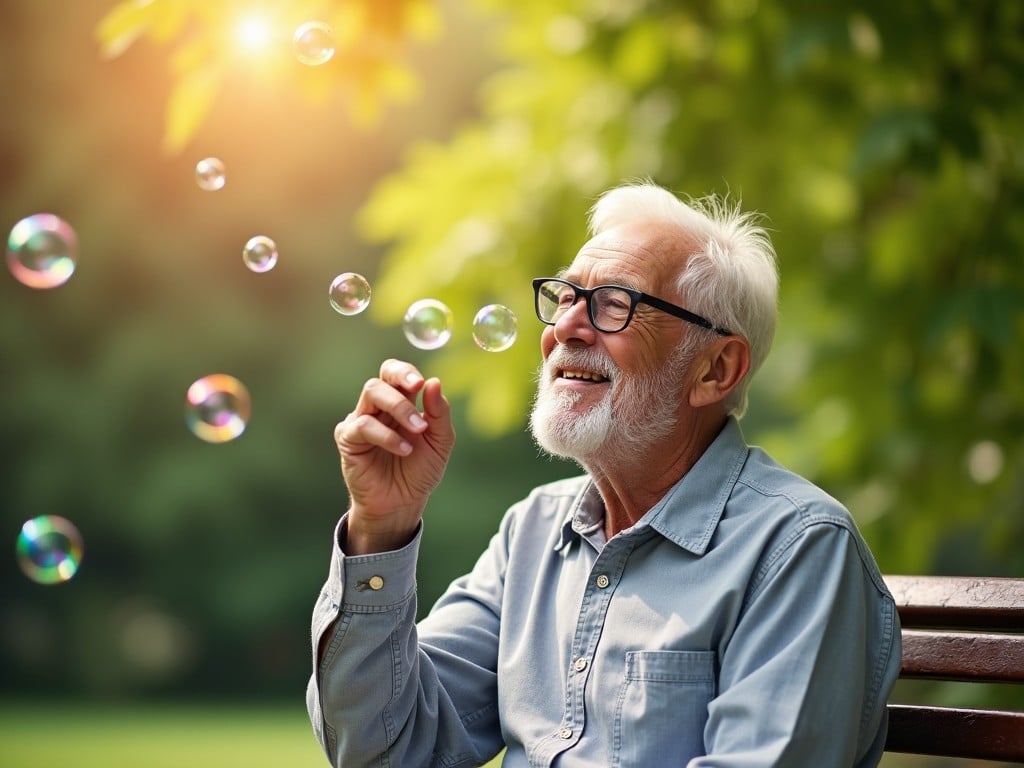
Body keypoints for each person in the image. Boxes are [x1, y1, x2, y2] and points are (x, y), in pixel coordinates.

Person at [306, 181, 902, 767]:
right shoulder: (533, 530)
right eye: (565, 297)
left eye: (616, 303)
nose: (566, 327)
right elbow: (382, 749)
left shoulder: (800, 549)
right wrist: (380, 527)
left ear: (716, 369)